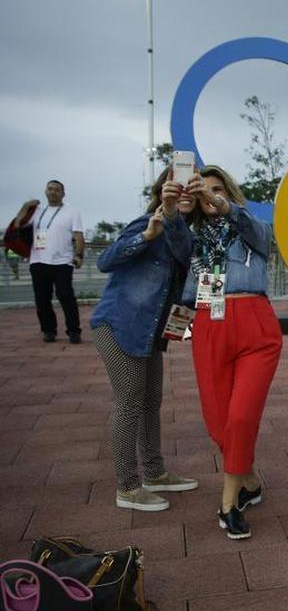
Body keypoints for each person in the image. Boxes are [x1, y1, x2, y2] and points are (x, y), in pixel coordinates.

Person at [180, 165, 281, 540]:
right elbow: (184, 290)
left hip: (254, 323)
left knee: (240, 417)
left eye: (217, 189)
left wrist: (221, 205)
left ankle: (229, 503)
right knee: (217, 421)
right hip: (208, 324)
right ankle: (249, 481)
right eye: (202, 190)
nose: (209, 195)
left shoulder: (250, 229)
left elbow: (258, 232)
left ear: (228, 193)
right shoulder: (190, 239)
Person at [90, 168, 199, 511]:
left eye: (190, 193)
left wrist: (180, 327)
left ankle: (154, 472)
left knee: (151, 401)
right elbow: (104, 261)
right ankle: (128, 487)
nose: (183, 195)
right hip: (118, 324)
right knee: (130, 402)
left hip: (149, 332)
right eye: (176, 189)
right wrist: (147, 236)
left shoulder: (184, 236)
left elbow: (183, 252)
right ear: (162, 190)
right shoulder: (144, 224)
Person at [15, 180, 86, 343]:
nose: (53, 192)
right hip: (38, 261)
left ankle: (74, 331)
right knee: (42, 299)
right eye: (50, 189)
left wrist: (79, 255)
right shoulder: (36, 211)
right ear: (45, 191)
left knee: (65, 295)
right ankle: (48, 330)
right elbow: (18, 224)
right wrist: (26, 205)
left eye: (57, 190)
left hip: (63, 262)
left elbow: (78, 235)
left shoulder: (71, 211)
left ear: (63, 193)